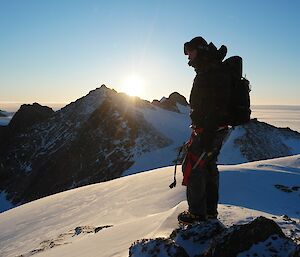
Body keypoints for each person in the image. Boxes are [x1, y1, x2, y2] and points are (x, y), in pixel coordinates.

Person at [178, 36, 232, 224]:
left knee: (193, 167)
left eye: (190, 52)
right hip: (213, 129)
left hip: (209, 130)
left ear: (199, 50)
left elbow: (215, 105)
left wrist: (207, 132)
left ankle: (197, 214)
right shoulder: (212, 69)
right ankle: (209, 211)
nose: (188, 57)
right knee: (208, 166)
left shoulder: (210, 72)